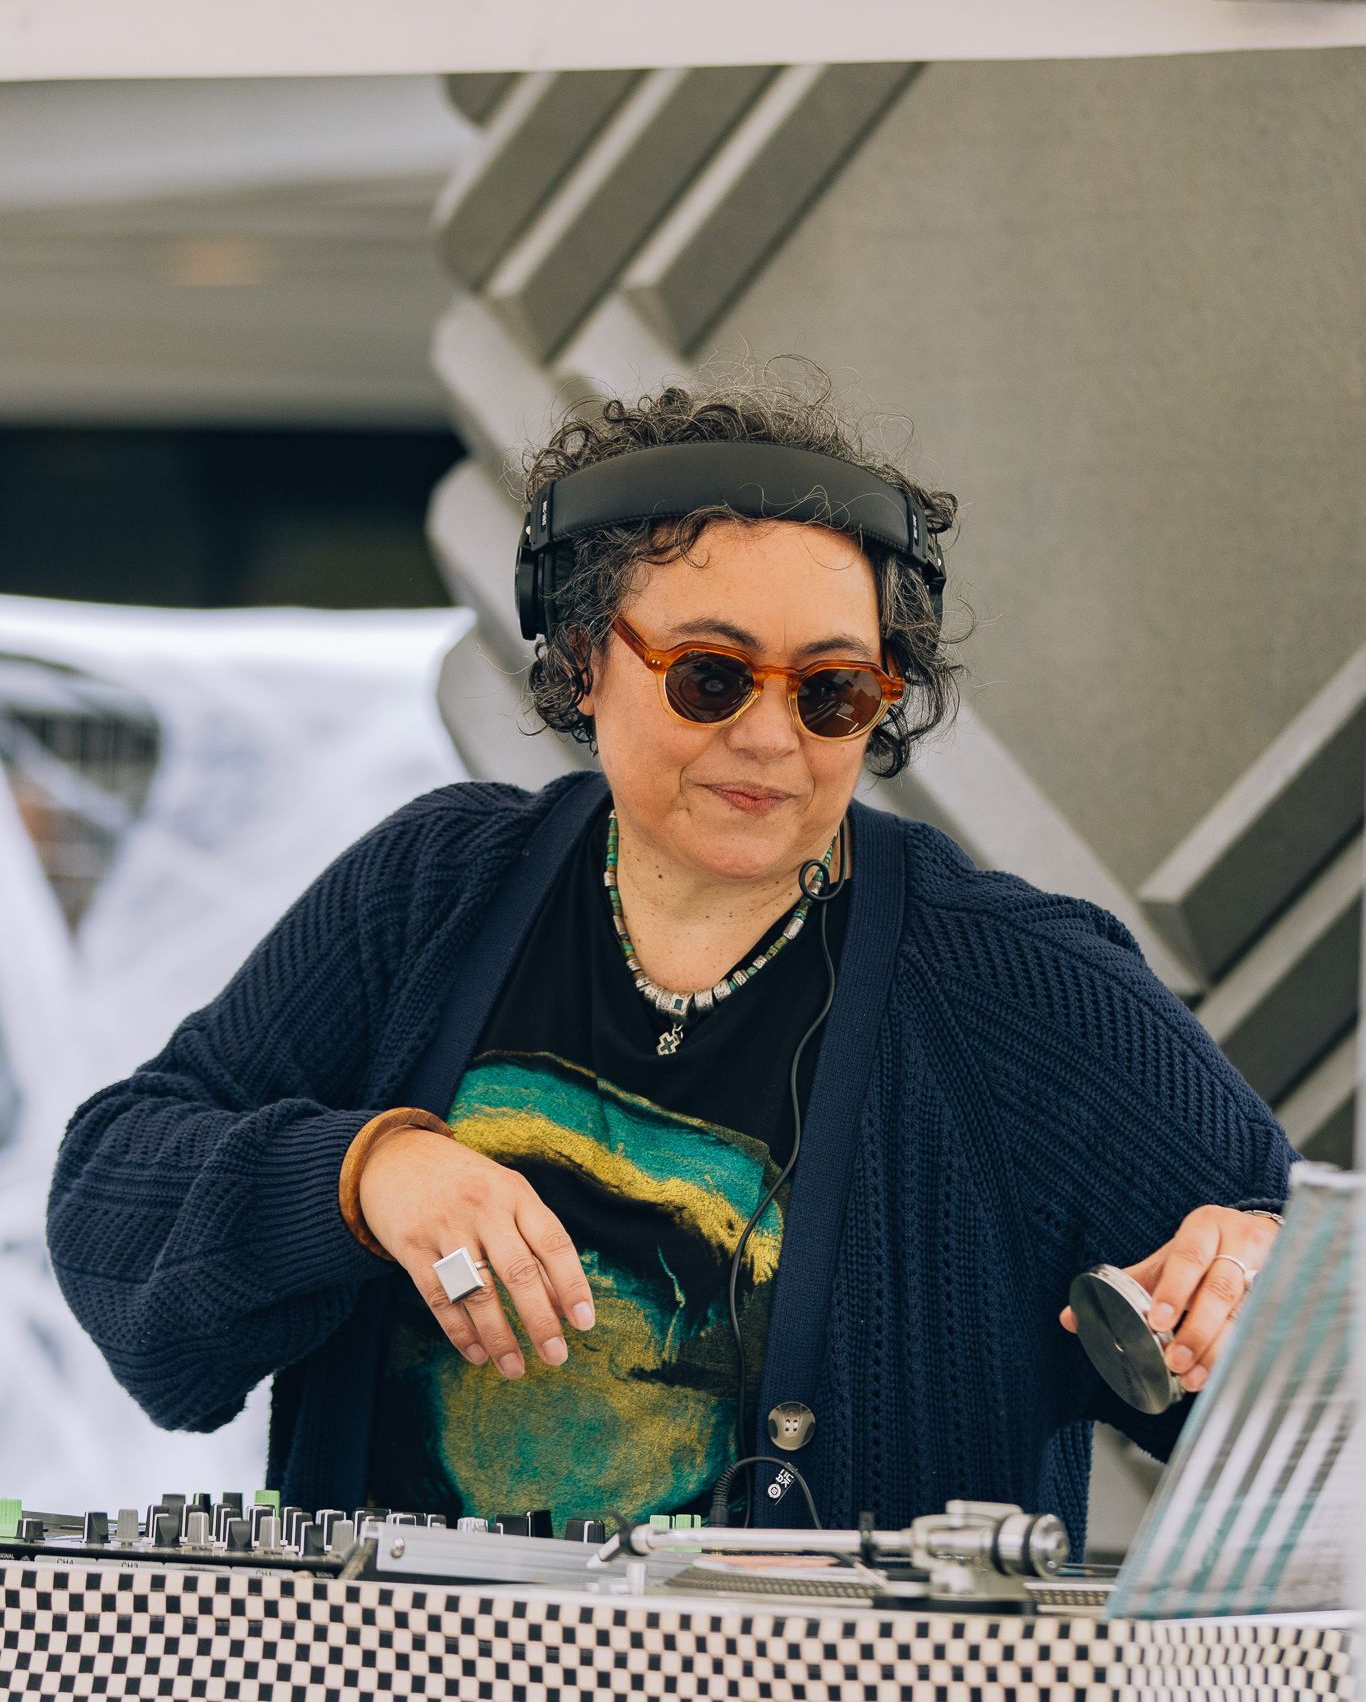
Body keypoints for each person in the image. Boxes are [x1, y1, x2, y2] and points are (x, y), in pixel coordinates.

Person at [46, 376, 1291, 1554]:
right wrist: (367, 1172)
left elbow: (1293, 1343)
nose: (769, 736)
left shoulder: (1021, 986)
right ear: (583, 658)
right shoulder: (430, 888)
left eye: (830, 691)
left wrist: (1260, 1281)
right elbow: (112, 1194)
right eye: (709, 677)